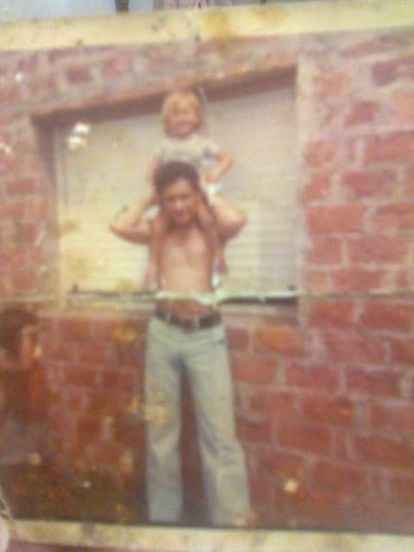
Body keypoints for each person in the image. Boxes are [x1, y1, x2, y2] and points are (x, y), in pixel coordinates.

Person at [110, 161, 253, 526]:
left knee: (220, 434)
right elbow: (118, 225)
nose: (178, 206)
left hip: (206, 336)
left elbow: (237, 219)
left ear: (197, 196)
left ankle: (232, 520)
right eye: (170, 199)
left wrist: (210, 190)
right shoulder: (156, 229)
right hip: (164, 333)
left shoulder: (211, 230)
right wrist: (149, 197)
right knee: (160, 434)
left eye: (185, 197)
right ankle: (164, 522)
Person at [143, 88, 233, 290]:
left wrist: (216, 173)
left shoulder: (202, 144)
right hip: (172, 198)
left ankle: (218, 255)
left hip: (194, 195)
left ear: (196, 117)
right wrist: (156, 188)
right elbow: (150, 170)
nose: (182, 118)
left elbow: (227, 159)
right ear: (167, 120)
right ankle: (152, 266)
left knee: (208, 221)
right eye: (176, 114)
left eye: (186, 113)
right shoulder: (163, 146)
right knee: (157, 227)